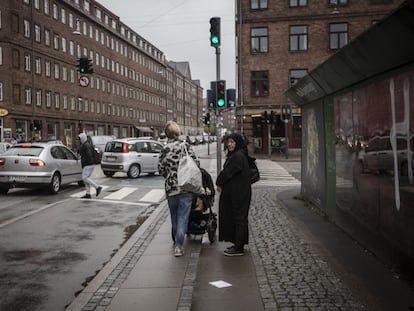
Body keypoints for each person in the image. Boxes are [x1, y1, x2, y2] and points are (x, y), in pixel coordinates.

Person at [158, 121, 199, 257]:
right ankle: (179, 246)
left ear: (167, 133)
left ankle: (177, 241)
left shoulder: (165, 149)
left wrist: (170, 176)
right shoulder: (185, 146)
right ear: (178, 132)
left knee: (174, 218)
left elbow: (161, 169)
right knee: (183, 218)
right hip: (185, 186)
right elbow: (196, 163)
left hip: (171, 189)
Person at [216, 133, 252, 256]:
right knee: (238, 218)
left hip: (239, 194)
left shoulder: (237, 156)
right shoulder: (238, 154)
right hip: (239, 192)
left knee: (239, 218)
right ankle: (238, 244)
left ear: (237, 143)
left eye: (232, 142)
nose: (230, 144)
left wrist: (219, 182)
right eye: (228, 142)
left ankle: (238, 248)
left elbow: (228, 172)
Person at [78, 133, 102, 199]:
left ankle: (97, 187)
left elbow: (88, 155)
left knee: (84, 178)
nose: (79, 140)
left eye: (80, 139)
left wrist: (84, 161)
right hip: (90, 164)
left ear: (83, 138)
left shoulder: (85, 145)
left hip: (88, 164)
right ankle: (88, 193)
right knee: (86, 179)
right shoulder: (86, 144)